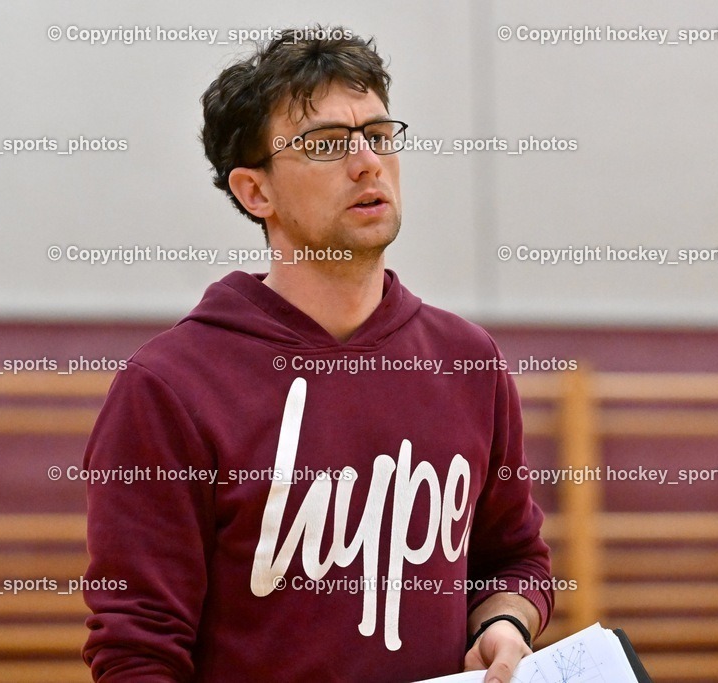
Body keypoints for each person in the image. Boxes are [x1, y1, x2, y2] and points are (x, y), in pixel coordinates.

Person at [81, 27, 553, 683]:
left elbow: (512, 558)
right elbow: (138, 652)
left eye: (379, 135)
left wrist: (502, 624)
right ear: (255, 192)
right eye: (327, 145)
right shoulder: (168, 387)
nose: (367, 161)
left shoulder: (469, 361)